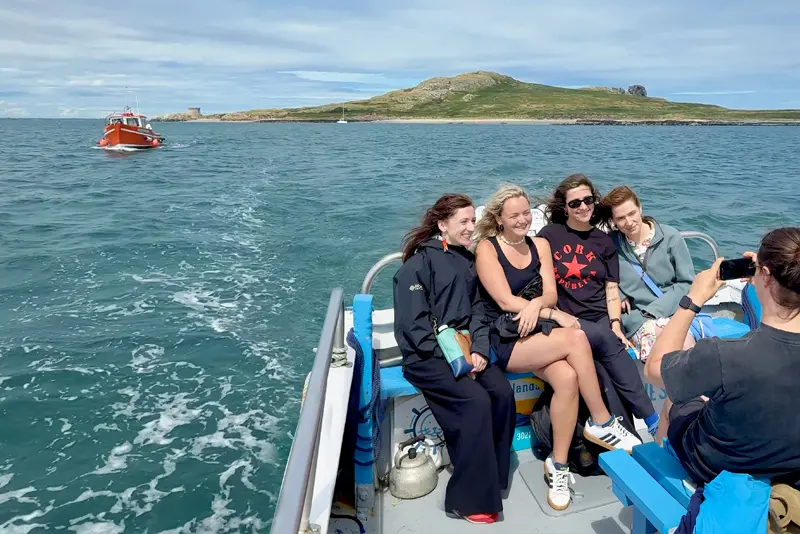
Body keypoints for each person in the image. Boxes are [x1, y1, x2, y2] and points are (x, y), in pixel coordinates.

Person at [473, 184, 642, 511]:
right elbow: (505, 301)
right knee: (577, 336)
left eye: (526, 213)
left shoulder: (539, 245)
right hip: (505, 336)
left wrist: (540, 307)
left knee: (566, 378)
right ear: (498, 219)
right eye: (514, 215)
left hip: (535, 330)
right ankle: (602, 421)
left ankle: (559, 465)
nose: (523, 220)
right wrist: (547, 311)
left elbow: (549, 292)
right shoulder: (487, 249)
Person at [393, 193, 515, 525]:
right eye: (463, 221)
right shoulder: (415, 267)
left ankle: (493, 477)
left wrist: (476, 350)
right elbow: (413, 328)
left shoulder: (467, 261)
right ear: (442, 225)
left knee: (502, 394)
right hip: (427, 357)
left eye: (471, 220)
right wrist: (454, 363)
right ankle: (465, 499)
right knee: (475, 401)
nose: (470, 227)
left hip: (465, 349)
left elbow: (478, 311)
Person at [644, 227, 800, 486]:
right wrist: (765, 274)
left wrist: (693, 298)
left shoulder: (724, 354)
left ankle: (662, 476)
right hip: (791, 474)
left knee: (678, 397)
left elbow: (654, 370)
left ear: (766, 275)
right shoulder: (730, 358)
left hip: (719, 471)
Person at [537, 174, 660, 436]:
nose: (583, 207)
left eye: (588, 200)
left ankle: (632, 437)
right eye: (575, 203)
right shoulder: (550, 235)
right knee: (605, 363)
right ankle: (649, 421)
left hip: (600, 318)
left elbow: (611, 289)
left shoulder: (604, 242)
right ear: (564, 207)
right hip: (567, 320)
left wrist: (615, 324)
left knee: (609, 361)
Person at [601, 185, 697, 443]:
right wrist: (619, 296)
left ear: (640, 208)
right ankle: (681, 428)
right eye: (620, 218)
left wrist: (656, 310)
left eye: (632, 214)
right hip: (639, 320)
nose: (628, 222)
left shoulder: (670, 237)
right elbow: (606, 281)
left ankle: (676, 427)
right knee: (670, 361)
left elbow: (687, 284)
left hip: (672, 311)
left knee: (686, 354)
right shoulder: (611, 244)